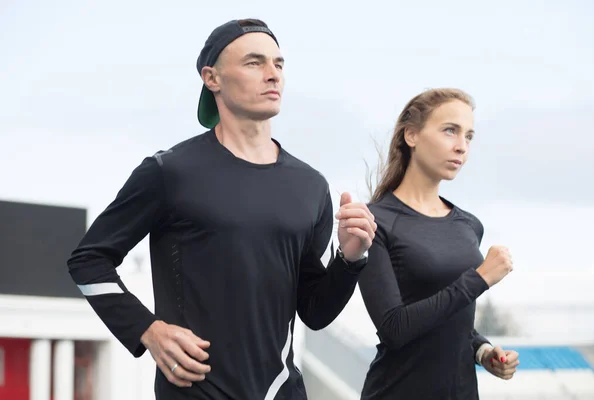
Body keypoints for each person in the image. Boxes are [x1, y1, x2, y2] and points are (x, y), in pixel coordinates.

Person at [67, 18, 376, 400]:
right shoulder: (170, 172)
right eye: (254, 62)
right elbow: (88, 259)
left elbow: (313, 311)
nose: (272, 75)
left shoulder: (311, 186)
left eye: (279, 64)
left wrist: (351, 258)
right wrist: (147, 329)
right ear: (211, 78)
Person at [357, 88, 519, 400]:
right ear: (412, 136)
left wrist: (482, 351)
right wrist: (480, 278)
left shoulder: (469, 226)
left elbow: (453, 321)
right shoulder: (374, 222)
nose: (462, 147)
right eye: (450, 131)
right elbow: (395, 328)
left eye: (469, 136)